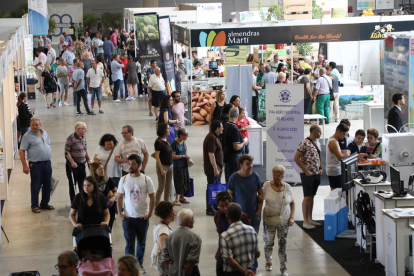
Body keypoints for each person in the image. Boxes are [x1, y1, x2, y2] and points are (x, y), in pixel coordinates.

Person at [117, 154, 155, 275]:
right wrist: (120, 213)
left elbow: (152, 196)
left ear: (139, 165)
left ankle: (139, 264)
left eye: (133, 164)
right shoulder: (123, 179)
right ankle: (129, 266)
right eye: (129, 163)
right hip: (128, 218)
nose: (130, 166)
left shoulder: (146, 179)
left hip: (142, 217)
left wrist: (149, 213)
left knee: (141, 243)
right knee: (129, 244)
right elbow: (119, 197)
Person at [262, 165, 295, 275]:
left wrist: (291, 218)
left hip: (283, 220)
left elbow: (292, 203)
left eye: (279, 176)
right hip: (269, 219)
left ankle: (283, 268)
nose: (276, 178)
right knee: (269, 242)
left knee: (282, 243)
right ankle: (268, 261)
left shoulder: (288, 187)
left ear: (283, 176)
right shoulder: (266, 185)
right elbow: (260, 199)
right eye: (274, 175)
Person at [19, 118, 53, 213]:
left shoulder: (44, 132)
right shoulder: (26, 136)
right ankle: (34, 205)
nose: (35, 126)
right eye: (33, 125)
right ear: (30, 125)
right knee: (36, 185)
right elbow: (21, 151)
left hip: (47, 162)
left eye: (37, 124)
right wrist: (24, 165)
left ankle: (45, 203)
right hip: (36, 164)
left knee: (47, 184)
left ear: (40, 125)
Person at [214, 192, 251, 276]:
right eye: (221, 206)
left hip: (238, 259)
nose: (224, 208)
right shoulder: (217, 215)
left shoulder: (242, 217)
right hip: (221, 257)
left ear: (231, 201)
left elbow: (248, 236)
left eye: (227, 205)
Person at [294, 124, 322, 229]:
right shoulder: (304, 143)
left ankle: (310, 218)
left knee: (312, 196)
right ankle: (305, 221)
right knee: (307, 196)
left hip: (316, 173)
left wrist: (320, 167)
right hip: (307, 174)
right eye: (319, 131)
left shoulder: (317, 142)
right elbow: (296, 158)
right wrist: (305, 170)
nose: (321, 133)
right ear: (314, 132)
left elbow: (318, 157)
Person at [220, 203, 260, 276]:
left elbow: (228, 259)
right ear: (241, 215)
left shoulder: (225, 235)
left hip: (233, 273)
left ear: (227, 216)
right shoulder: (252, 230)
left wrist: (243, 270)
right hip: (249, 271)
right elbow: (257, 254)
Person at [227, 154, 263, 234]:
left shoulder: (255, 176)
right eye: (247, 164)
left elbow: (261, 194)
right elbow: (229, 197)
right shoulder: (234, 178)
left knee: (253, 240)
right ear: (240, 165)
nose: (250, 166)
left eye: (251, 163)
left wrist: (259, 211)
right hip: (240, 217)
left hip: (254, 215)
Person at [161, 209, 202, 276]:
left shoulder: (169, 237)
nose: (194, 221)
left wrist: (173, 271)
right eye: (193, 218)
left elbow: (164, 259)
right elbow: (191, 262)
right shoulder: (195, 238)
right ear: (188, 222)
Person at [70, 176, 110, 241]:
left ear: (94, 186)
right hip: (83, 228)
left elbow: (106, 213)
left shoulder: (100, 197)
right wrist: (76, 224)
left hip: (98, 227)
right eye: (84, 185)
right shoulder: (78, 197)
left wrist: (106, 222)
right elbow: (71, 214)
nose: (86, 187)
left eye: (89, 185)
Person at [65, 121, 91, 202]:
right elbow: (66, 152)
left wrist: (89, 160)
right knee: (73, 184)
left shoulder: (83, 137)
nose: (85, 131)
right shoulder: (71, 138)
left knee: (83, 184)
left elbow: (85, 150)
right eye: (84, 129)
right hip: (73, 166)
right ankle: (74, 202)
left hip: (82, 165)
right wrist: (72, 162)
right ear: (78, 129)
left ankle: (82, 200)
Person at [203, 120, 224, 215]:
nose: (223, 128)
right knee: (211, 187)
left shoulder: (215, 137)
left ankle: (214, 205)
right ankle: (209, 208)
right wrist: (215, 168)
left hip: (216, 168)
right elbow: (211, 154)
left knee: (215, 188)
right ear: (217, 128)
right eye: (221, 127)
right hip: (212, 169)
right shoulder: (211, 138)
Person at [223, 107, 248, 183]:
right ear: (237, 116)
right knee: (235, 181)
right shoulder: (234, 129)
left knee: (229, 180)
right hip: (234, 158)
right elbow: (236, 147)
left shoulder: (225, 125)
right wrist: (244, 142)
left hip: (227, 156)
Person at [90, 162, 118, 229]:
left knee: (108, 227)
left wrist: (113, 197)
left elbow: (116, 191)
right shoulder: (89, 182)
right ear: (94, 171)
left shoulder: (107, 179)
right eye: (100, 169)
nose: (102, 170)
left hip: (108, 207)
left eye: (103, 168)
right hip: (96, 209)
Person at [152, 201, 176, 276]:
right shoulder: (163, 230)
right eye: (173, 212)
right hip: (166, 264)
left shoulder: (159, 225)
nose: (175, 214)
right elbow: (164, 249)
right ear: (168, 214)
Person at [154, 123, 173, 206]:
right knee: (161, 187)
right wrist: (161, 169)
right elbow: (157, 156)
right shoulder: (158, 142)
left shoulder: (167, 140)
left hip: (170, 165)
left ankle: (167, 204)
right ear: (163, 130)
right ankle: (156, 205)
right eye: (168, 129)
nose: (170, 130)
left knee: (168, 187)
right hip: (163, 166)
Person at [326, 123, 350, 190]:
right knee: (336, 192)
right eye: (343, 134)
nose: (344, 136)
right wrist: (347, 153)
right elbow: (341, 159)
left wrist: (344, 151)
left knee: (336, 192)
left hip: (334, 169)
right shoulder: (333, 142)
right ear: (338, 132)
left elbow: (334, 152)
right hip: (334, 171)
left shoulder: (333, 140)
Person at [171, 128, 191, 206]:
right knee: (178, 182)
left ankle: (181, 197)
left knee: (184, 180)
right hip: (178, 165)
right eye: (186, 135)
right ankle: (176, 199)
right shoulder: (174, 143)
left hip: (184, 164)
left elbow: (185, 150)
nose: (187, 136)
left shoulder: (183, 142)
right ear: (180, 135)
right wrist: (183, 156)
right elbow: (173, 156)